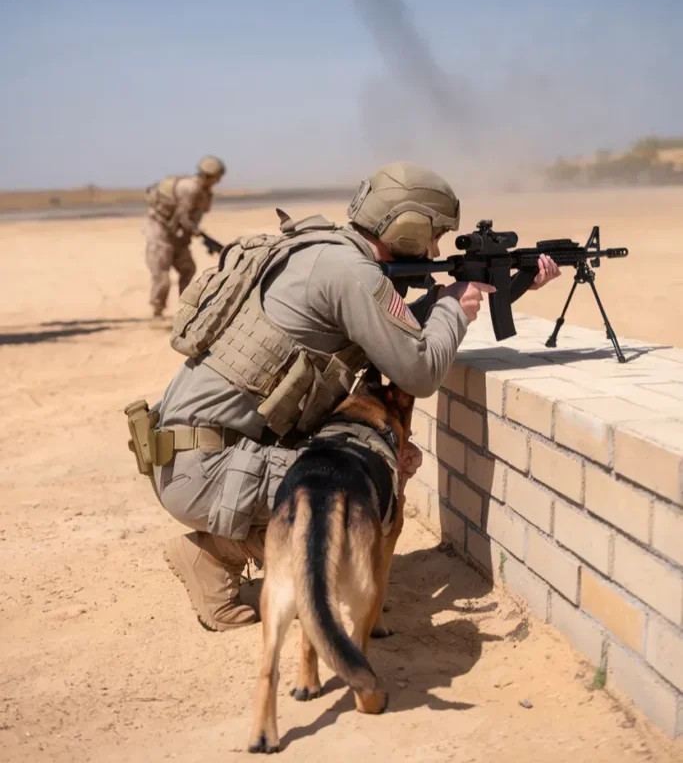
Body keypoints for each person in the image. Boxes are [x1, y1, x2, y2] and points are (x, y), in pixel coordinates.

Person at [150, 162, 559, 632]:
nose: (437, 249)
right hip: (207, 469)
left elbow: (394, 336)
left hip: (195, 455)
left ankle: (238, 548)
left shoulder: (326, 253)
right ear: (408, 226)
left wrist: (503, 286)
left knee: (374, 466)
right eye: (435, 234)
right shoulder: (353, 273)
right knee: (364, 496)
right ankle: (214, 552)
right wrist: (452, 308)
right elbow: (420, 371)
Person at [144, 156, 226, 320]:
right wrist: (196, 231)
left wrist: (195, 233)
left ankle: (185, 310)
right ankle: (157, 312)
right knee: (162, 274)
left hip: (178, 235)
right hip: (160, 232)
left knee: (188, 268)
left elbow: (192, 217)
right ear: (208, 175)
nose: (218, 181)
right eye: (217, 177)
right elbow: (182, 217)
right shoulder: (189, 188)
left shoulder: (204, 192)